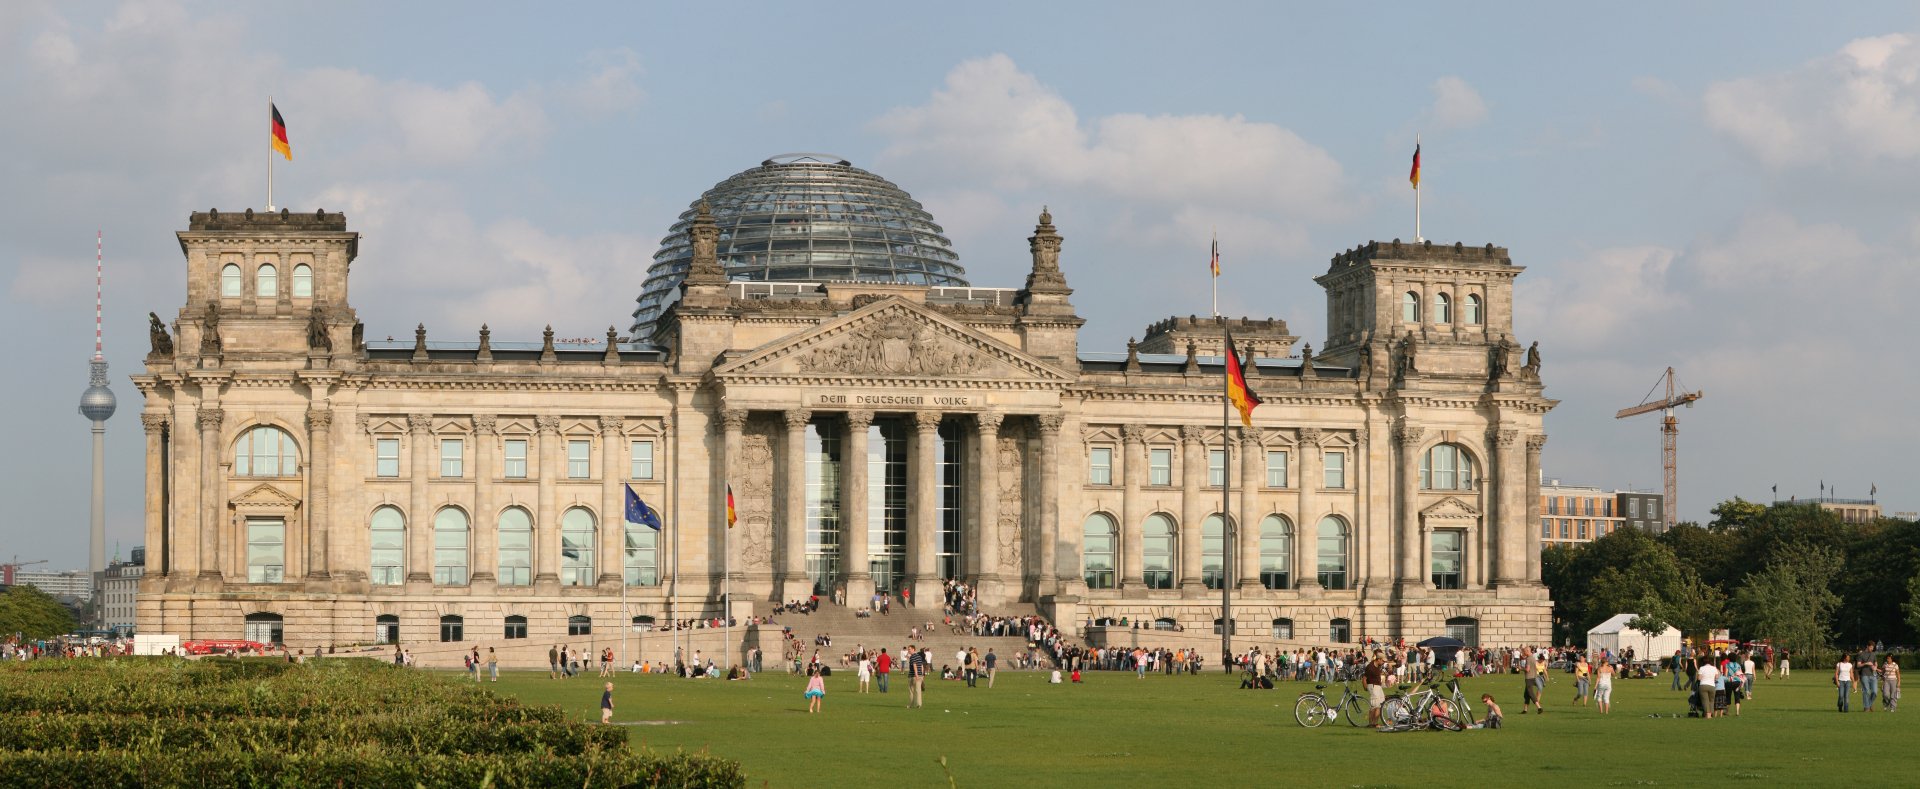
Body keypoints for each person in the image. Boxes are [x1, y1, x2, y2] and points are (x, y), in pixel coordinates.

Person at [1364, 652, 1387, 727]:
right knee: (1374, 706)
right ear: (1378, 659)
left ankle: (1375, 723)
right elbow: (1364, 678)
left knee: (1380, 705)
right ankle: (1371, 723)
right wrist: (1366, 688)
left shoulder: (1378, 666)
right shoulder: (1370, 667)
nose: (1383, 662)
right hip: (1373, 686)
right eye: (1383, 661)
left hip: (1378, 686)